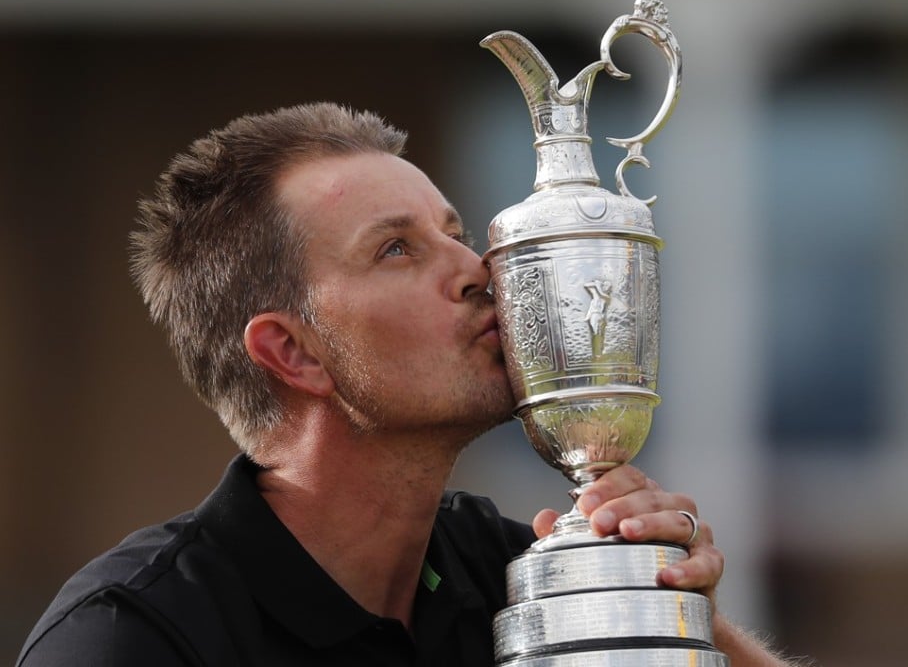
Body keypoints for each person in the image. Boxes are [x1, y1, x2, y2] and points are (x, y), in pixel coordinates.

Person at [17, 103, 801, 666]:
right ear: (294, 353)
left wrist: (677, 619)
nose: (478, 271)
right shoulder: (135, 637)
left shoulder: (515, 573)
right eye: (396, 249)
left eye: (455, 236)